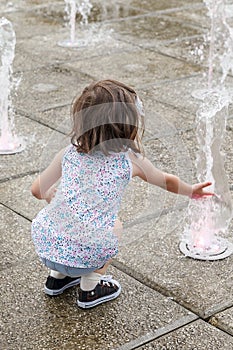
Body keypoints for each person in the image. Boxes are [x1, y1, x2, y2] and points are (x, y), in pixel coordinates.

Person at [31, 79, 213, 309]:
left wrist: (51, 197)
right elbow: (166, 181)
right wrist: (191, 191)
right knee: (113, 225)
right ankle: (90, 288)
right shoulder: (130, 160)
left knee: (66, 220)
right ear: (128, 126)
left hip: (46, 244)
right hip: (86, 254)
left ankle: (56, 279)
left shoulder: (68, 153)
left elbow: (36, 190)